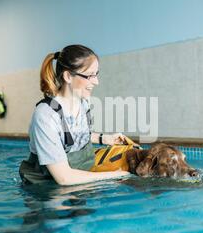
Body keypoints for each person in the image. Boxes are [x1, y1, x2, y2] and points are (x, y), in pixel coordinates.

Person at [19, 45, 131, 186]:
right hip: (46, 190)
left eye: (96, 74)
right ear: (68, 76)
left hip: (79, 177)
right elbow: (64, 178)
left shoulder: (83, 103)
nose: (96, 81)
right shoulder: (46, 115)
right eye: (90, 75)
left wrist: (105, 138)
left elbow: (74, 136)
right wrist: (117, 175)